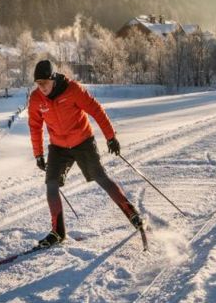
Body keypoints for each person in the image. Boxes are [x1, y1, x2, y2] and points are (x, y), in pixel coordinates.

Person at [28, 59, 143, 247]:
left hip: (82, 141)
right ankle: (58, 232)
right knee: (51, 184)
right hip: (58, 146)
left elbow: (96, 110)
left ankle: (132, 214)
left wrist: (110, 137)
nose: (42, 88)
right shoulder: (36, 99)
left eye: (45, 83)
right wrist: (38, 154)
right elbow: (35, 126)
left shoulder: (72, 90)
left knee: (100, 177)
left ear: (53, 79)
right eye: (38, 84)